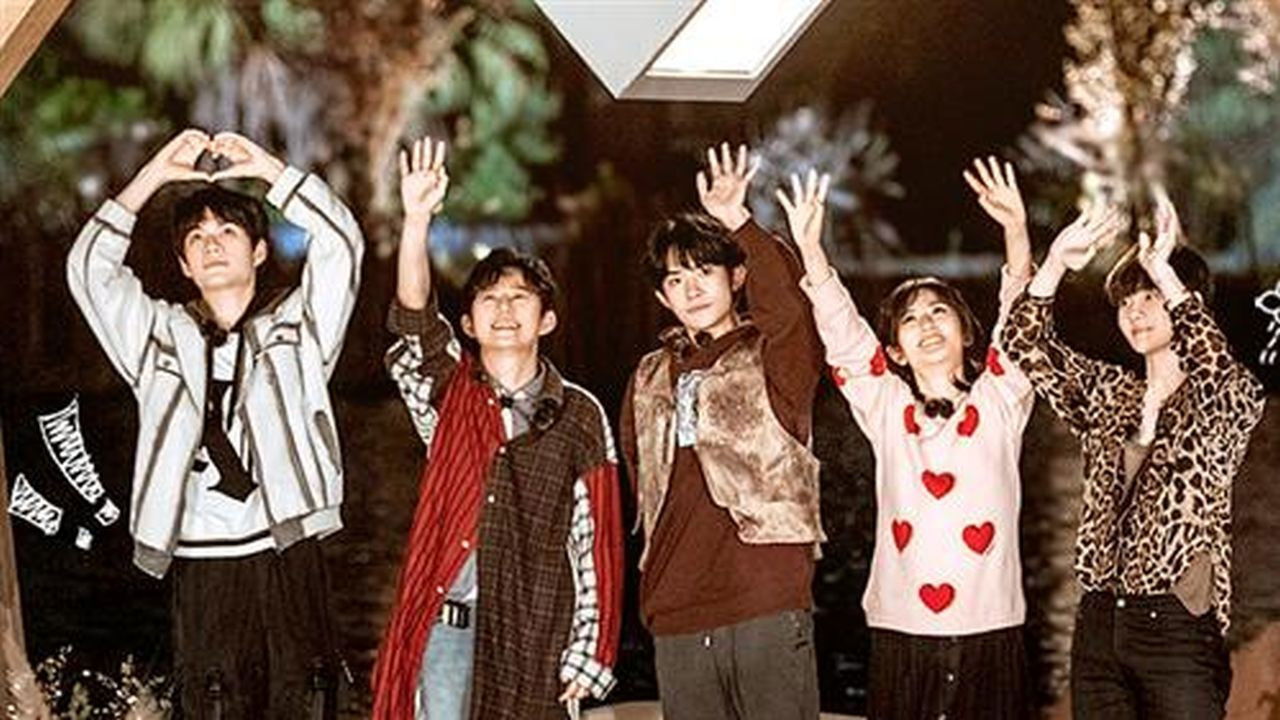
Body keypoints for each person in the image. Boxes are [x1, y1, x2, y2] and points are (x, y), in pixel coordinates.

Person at [66, 129, 364, 717]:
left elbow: (342, 245)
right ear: (183, 264)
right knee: (214, 703)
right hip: (202, 556)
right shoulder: (158, 337)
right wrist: (154, 175)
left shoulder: (299, 329)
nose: (212, 245)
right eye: (197, 238)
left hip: (287, 545)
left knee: (307, 699)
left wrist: (269, 169)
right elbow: (88, 271)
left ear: (258, 251)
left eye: (228, 232)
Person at [794, 157, 1066, 719]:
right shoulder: (887, 408)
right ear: (895, 350)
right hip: (902, 628)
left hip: (990, 627)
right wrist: (813, 253)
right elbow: (846, 342)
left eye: (940, 312)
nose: (928, 325)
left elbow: (1022, 326)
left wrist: (1016, 232)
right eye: (911, 319)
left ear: (967, 332)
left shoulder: (1000, 399)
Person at [371, 138, 623, 720]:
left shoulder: (579, 414)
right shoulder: (451, 395)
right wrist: (416, 219)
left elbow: (597, 542)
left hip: (536, 630)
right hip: (447, 627)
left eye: (519, 299)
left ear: (547, 319)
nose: (504, 310)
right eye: (490, 299)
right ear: (467, 322)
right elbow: (414, 323)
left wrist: (591, 651)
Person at [1001, 187, 1266, 718]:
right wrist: (1054, 263)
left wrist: (1166, 274)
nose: (1134, 312)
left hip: (1177, 629)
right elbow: (1023, 345)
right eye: (1125, 301)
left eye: (1149, 298)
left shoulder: (1221, 398)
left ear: (1186, 303)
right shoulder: (1110, 393)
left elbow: (1221, 371)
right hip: (1098, 625)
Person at [622, 143, 825, 720]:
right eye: (676, 279)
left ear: (737, 277)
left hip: (765, 600)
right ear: (662, 296)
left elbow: (790, 311)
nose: (691, 289)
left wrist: (738, 220)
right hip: (676, 609)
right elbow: (642, 485)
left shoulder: (775, 357)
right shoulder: (648, 375)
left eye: (704, 271)